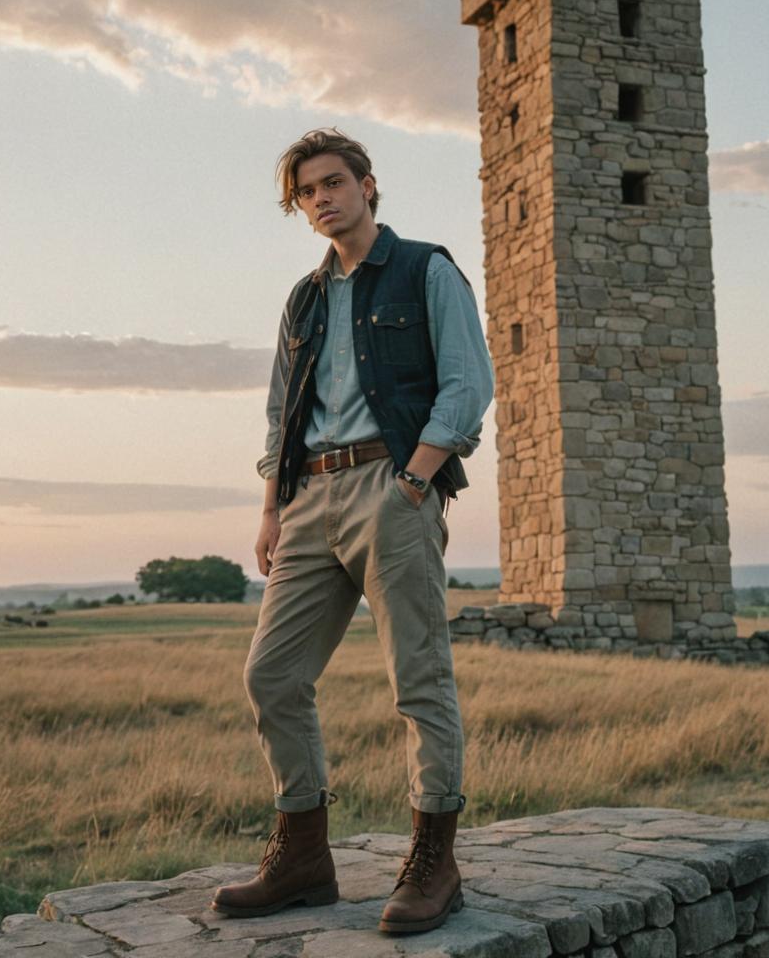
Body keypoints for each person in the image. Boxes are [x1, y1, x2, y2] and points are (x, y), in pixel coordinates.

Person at [211, 128, 494, 934]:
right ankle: (303, 857)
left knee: (419, 680)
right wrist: (272, 508)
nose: (322, 199)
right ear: (299, 206)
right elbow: (280, 410)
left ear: (369, 186)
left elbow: (469, 385)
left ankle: (435, 862)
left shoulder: (424, 269)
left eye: (335, 183)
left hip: (390, 486)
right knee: (271, 676)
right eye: (307, 191)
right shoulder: (302, 299)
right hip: (307, 497)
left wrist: (414, 479)